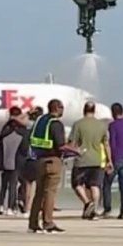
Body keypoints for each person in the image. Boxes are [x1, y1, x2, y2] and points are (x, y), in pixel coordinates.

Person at [27, 99, 71, 234]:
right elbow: (61, 145)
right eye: (62, 107)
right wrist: (76, 150)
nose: (63, 110)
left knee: (39, 193)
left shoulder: (40, 121)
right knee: (50, 192)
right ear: (57, 108)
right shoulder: (56, 124)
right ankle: (48, 222)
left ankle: (33, 223)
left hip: (39, 160)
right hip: (53, 160)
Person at [69, 101, 110, 220]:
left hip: (82, 158)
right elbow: (106, 144)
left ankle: (87, 203)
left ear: (84, 110)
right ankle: (94, 209)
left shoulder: (78, 124)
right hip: (97, 159)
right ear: (94, 110)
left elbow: (73, 142)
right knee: (95, 185)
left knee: (77, 184)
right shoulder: (102, 125)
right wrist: (109, 160)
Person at [103, 102, 123, 219]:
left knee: (107, 183)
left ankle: (107, 208)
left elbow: (112, 142)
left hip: (115, 157)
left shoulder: (112, 125)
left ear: (112, 113)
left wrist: (109, 159)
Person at [0, 106, 29, 216]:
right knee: (19, 184)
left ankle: (2, 206)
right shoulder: (22, 132)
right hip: (17, 161)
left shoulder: (4, 131)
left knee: (5, 185)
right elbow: (25, 149)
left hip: (5, 161)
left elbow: (0, 148)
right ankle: (14, 205)